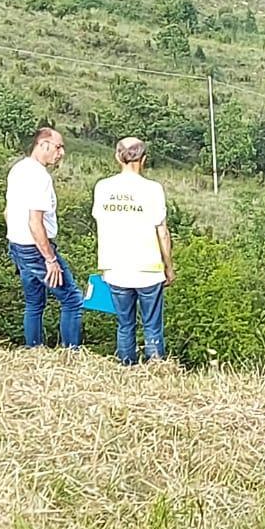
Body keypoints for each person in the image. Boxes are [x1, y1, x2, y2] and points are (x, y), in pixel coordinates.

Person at [92, 136, 174, 365]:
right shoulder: (153, 189)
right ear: (144, 159)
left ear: (118, 157)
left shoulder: (103, 187)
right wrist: (169, 266)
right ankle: (156, 370)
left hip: (116, 268)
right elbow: (163, 232)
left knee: (125, 324)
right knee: (152, 325)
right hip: (148, 268)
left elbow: (99, 220)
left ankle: (127, 369)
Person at [5, 126, 83, 348]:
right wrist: (50, 259)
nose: (61, 153)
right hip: (36, 248)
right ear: (43, 145)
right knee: (72, 299)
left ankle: (34, 349)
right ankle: (71, 353)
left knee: (34, 302)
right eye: (58, 147)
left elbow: (7, 211)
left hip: (18, 244)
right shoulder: (40, 177)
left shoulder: (18, 169)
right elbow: (35, 221)